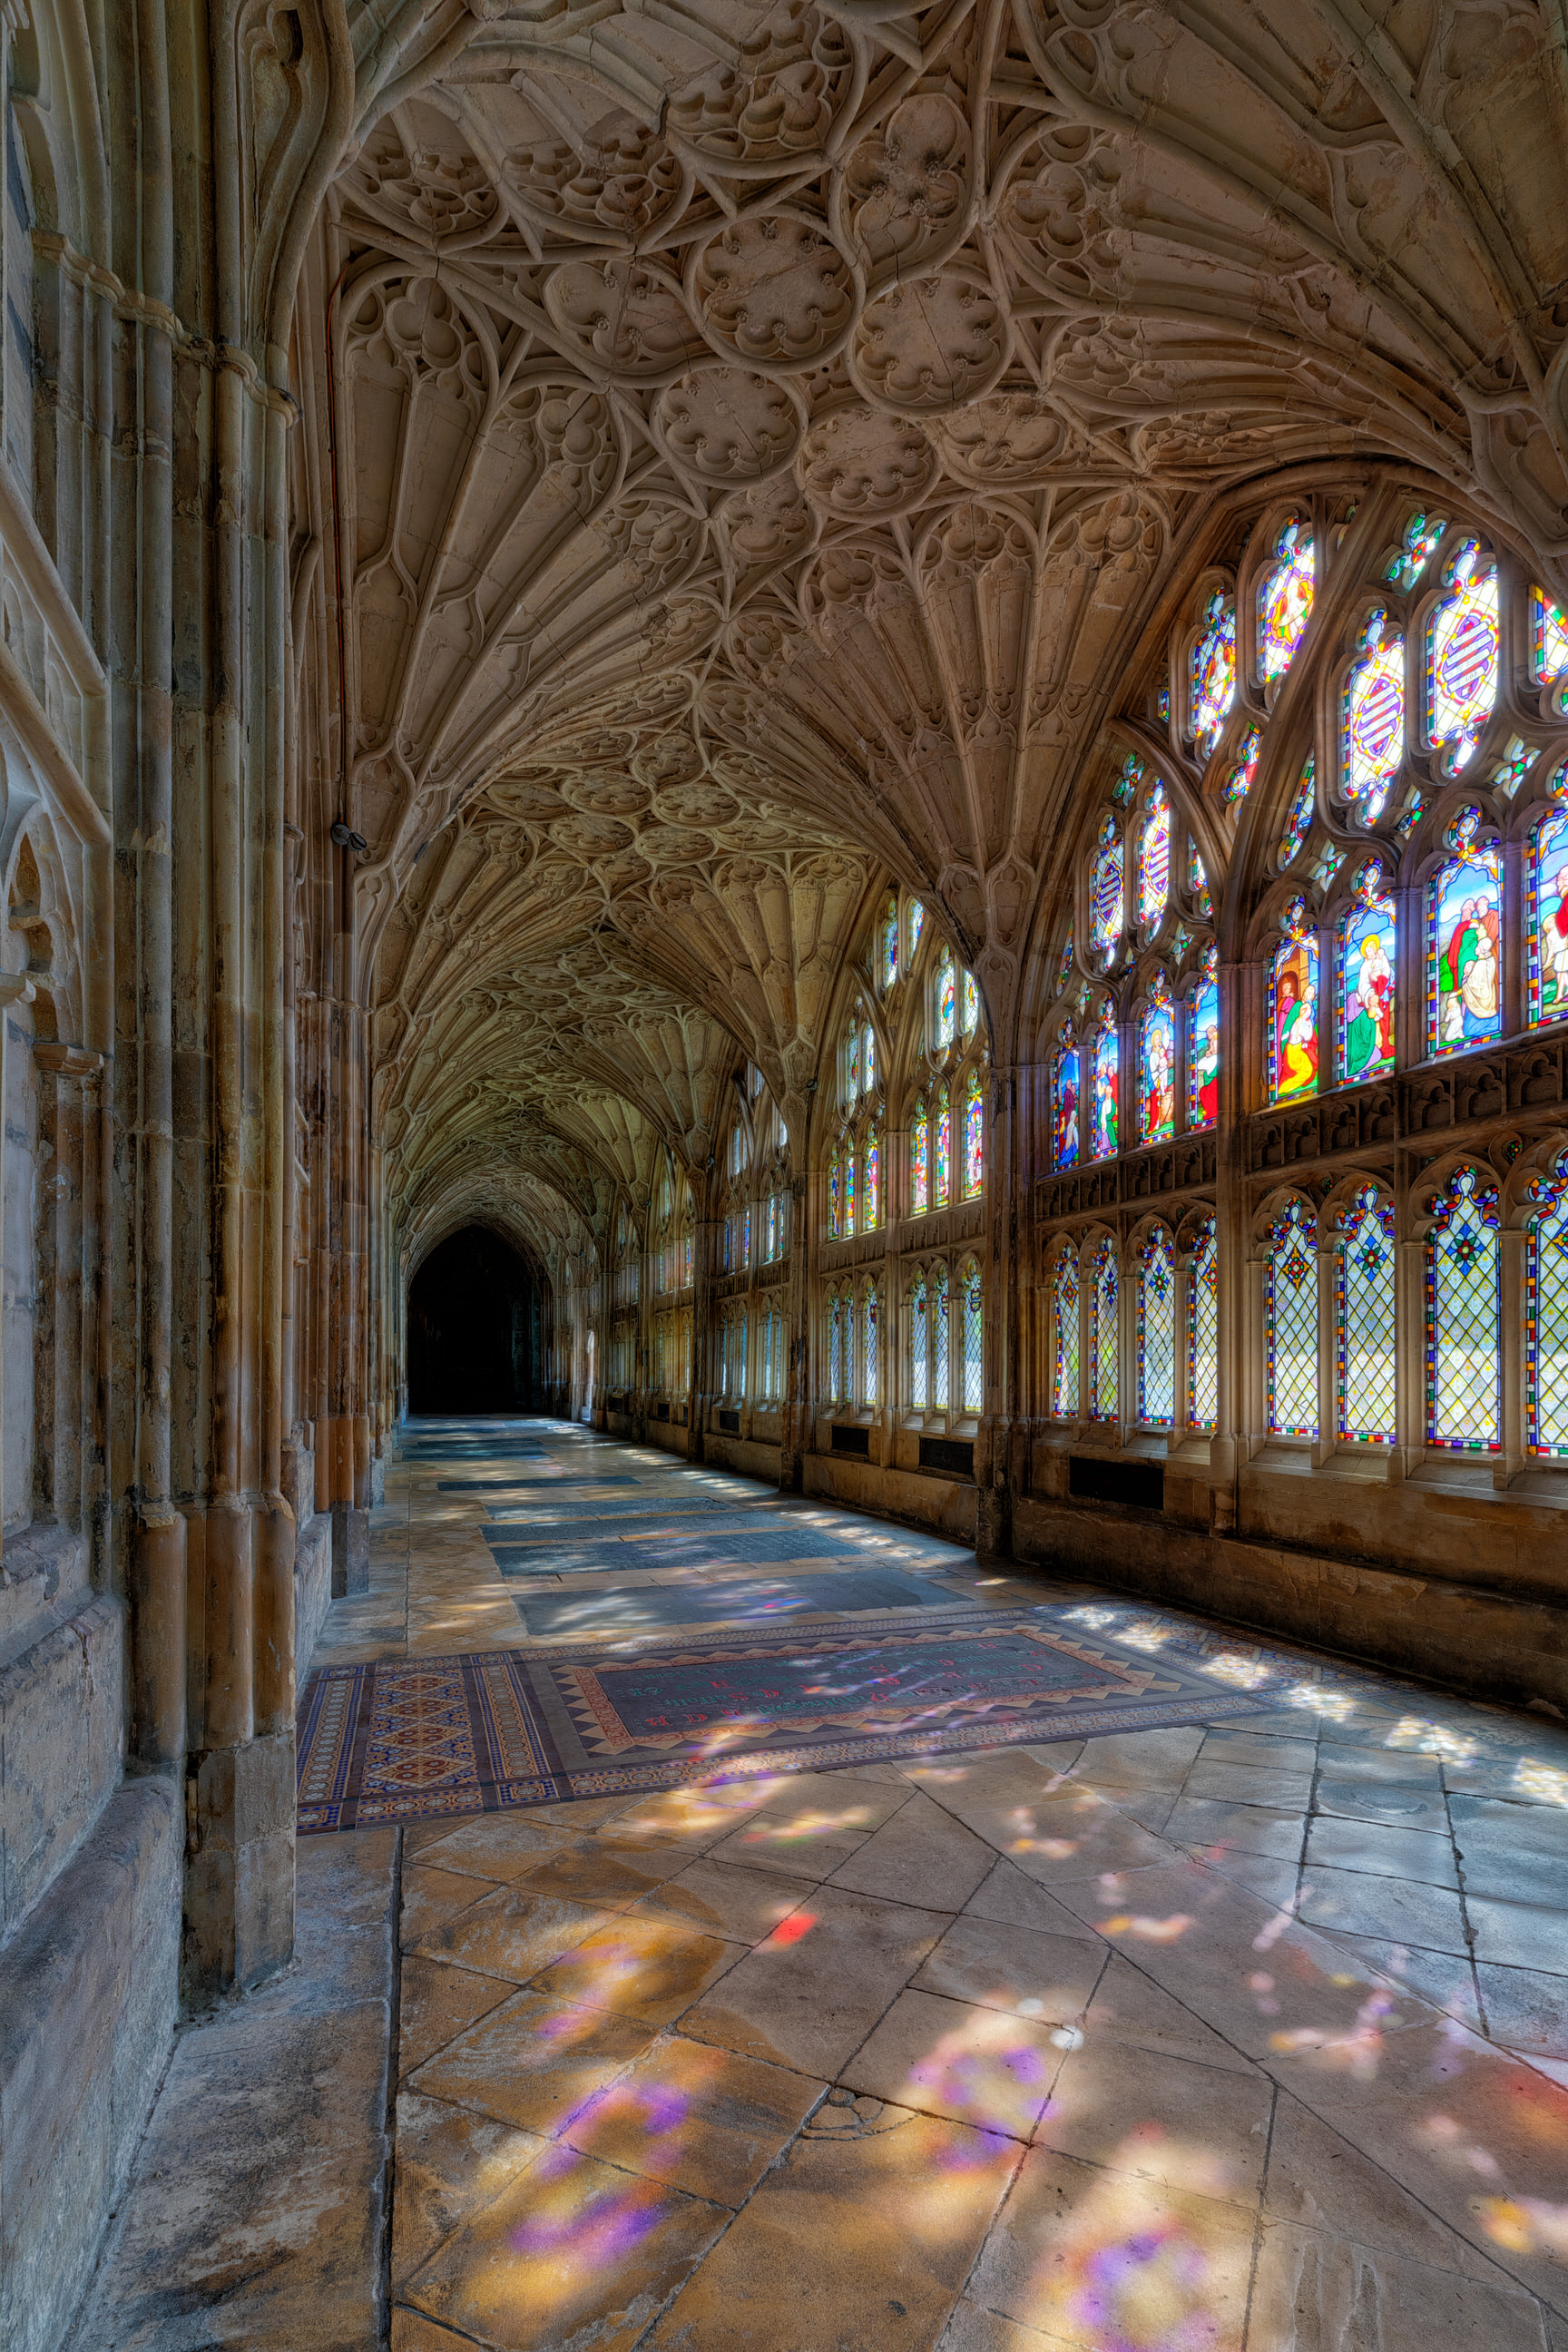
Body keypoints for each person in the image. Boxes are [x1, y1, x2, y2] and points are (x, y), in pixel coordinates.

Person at [1276, 964, 1318, 1094]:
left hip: (1300, 1045)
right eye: (1308, 991)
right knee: (1306, 1070)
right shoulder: (1298, 1006)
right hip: (1294, 1047)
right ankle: (1283, 1090)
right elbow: (1291, 1025)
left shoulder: (1305, 1008)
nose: (1310, 994)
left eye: (1313, 992)